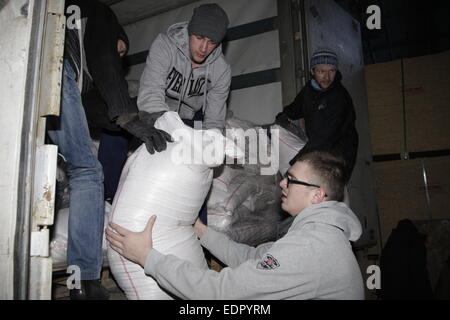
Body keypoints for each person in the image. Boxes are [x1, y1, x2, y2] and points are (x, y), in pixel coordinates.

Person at [106, 150, 365, 299]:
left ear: (317, 195)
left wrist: (148, 257)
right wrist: (203, 232)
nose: (282, 184)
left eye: (291, 180)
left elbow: (222, 292)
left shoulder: (312, 248)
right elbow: (254, 257)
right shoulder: (318, 235)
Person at [47, 0, 161, 300]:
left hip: (34, 67)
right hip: (53, 68)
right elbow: (103, 57)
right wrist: (126, 114)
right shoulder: (96, 11)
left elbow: (96, 109)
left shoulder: (82, 74)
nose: (119, 54)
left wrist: (133, 119)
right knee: (86, 171)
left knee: (43, 171)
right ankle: (82, 281)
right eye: (121, 48)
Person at [132, 3, 232, 223]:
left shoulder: (221, 70)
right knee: (116, 138)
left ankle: (199, 230)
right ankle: (112, 199)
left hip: (190, 116)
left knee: (201, 167)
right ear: (189, 31)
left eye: (212, 42)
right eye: (198, 37)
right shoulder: (165, 46)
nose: (204, 48)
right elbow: (150, 93)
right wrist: (168, 127)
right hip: (155, 111)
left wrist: (212, 144)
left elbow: (214, 119)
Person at [276, 49, 359, 183]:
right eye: (321, 71)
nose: (327, 77)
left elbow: (325, 137)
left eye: (331, 71)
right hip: (318, 149)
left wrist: (296, 161)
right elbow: (295, 108)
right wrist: (283, 116)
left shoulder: (339, 98)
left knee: (329, 194)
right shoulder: (309, 90)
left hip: (338, 157)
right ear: (312, 72)